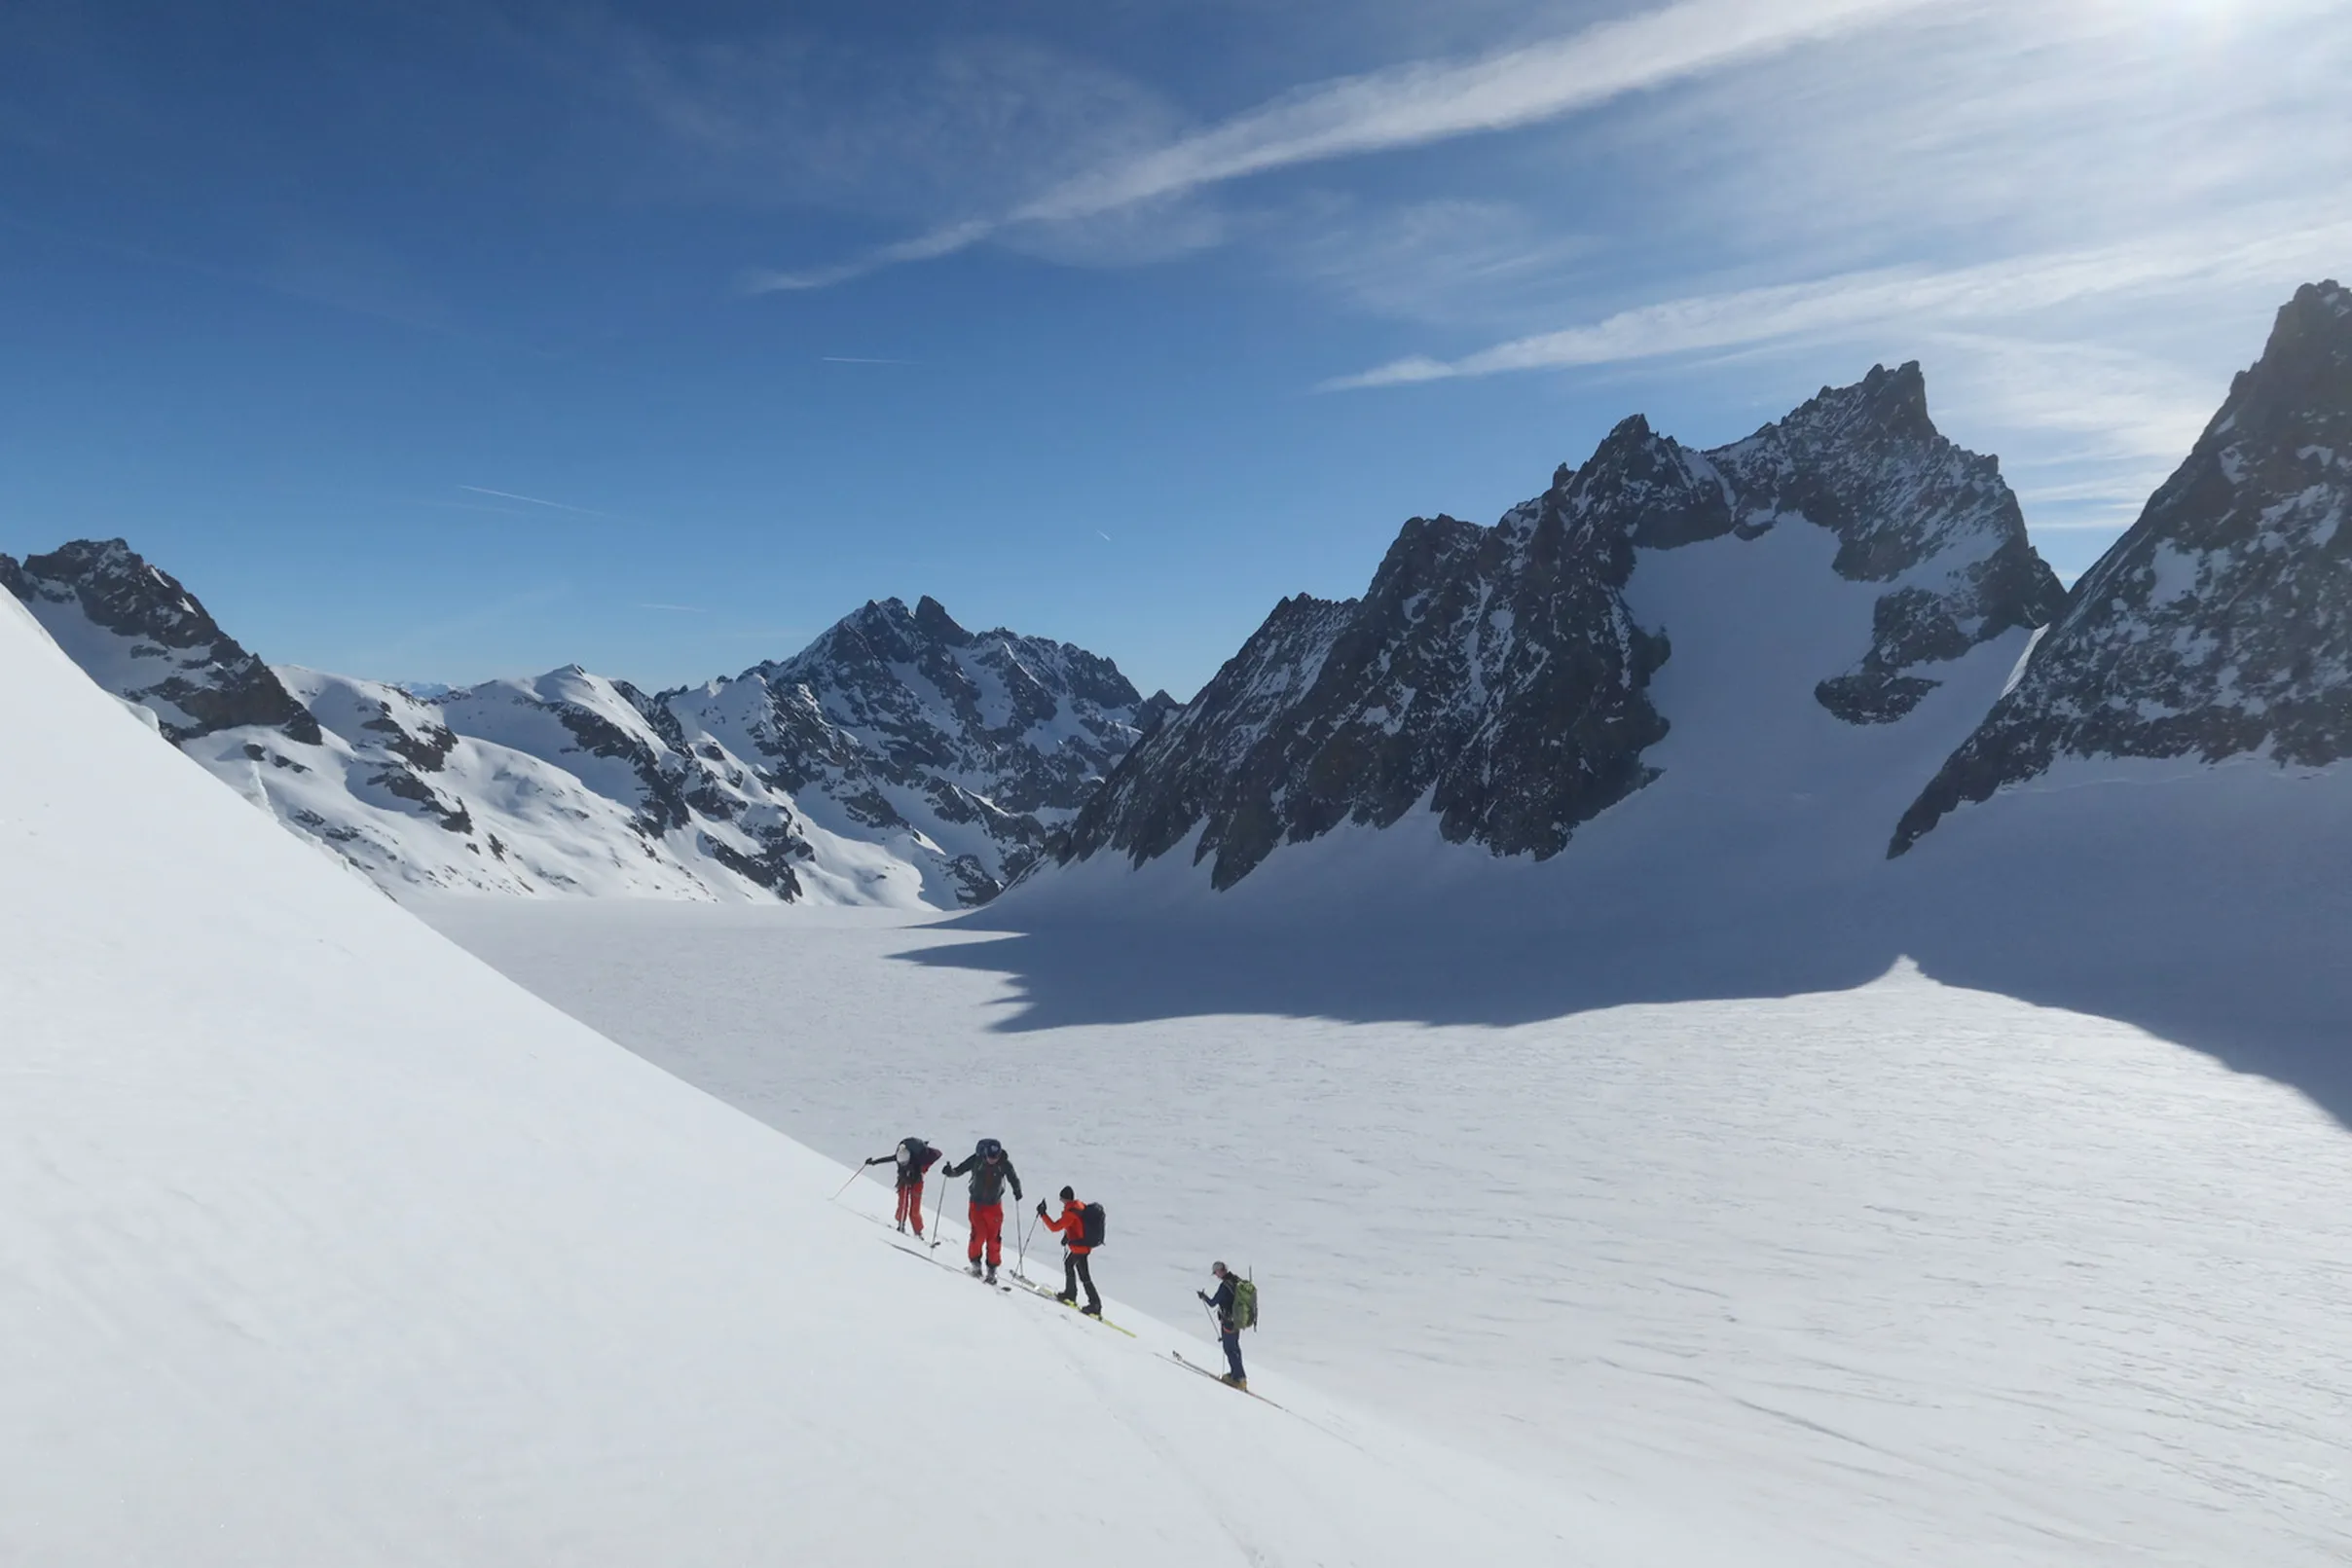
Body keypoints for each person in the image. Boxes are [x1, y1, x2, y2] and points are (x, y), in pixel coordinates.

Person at [940, 1137, 1021, 1283]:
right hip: (976, 1205)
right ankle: (975, 1264)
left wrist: (1017, 1190)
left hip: (994, 1206)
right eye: (990, 1157)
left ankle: (992, 1269)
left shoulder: (1004, 1163)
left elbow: (1013, 1178)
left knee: (994, 1238)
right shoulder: (976, 1160)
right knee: (979, 1235)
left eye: (995, 1157)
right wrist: (950, 1172)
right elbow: (960, 1170)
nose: (993, 1160)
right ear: (984, 1153)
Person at [1036, 1186, 1101, 1316]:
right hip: (1082, 1245)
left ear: (1065, 1198)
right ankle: (1072, 1293)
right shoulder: (1079, 1206)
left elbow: (1054, 1227)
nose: (1061, 1201)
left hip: (1080, 1247)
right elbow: (1077, 1225)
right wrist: (1068, 1236)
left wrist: (1043, 1214)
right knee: (1069, 1264)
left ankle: (1094, 1304)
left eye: (1061, 1199)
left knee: (1084, 1275)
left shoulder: (1070, 1212)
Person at [863, 1137, 940, 1236]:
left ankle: (918, 1232)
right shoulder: (900, 1155)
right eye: (901, 1163)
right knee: (902, 1202)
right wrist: (873, 1162)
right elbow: (888, 1159)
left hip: (917, 1180)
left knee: (915, 1208)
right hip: (904, 1179)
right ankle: (901, 1224)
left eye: (905, 1163)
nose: (903, 1164)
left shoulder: (919, 1158)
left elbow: (937, 1154)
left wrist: (923, 1167)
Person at [1198, 1262, 1247, 1388]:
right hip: (1238, 1320)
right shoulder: (1236, 1280)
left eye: (1216, 1273)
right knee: (1235, 1348)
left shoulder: (1225, 1286)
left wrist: (1203, 1297)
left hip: (1228, 1322)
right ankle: (1237, 1375)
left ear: (1221, 1271)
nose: (1216, 1275)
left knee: (1229, 1349)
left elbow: (1213, 1303)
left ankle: (1238, 1379)